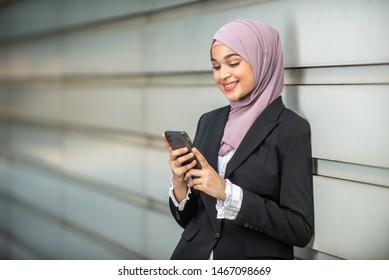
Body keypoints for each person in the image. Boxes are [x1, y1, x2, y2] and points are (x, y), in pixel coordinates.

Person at [162, 19, 314, 260]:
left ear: (261, 60)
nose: (223, 75)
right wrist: (179, 185)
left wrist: (227, 193)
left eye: (233, 63)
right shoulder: (209, 121)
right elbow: (192, 220)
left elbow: (300, 229)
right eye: (215, 67)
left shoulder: (291, 130)